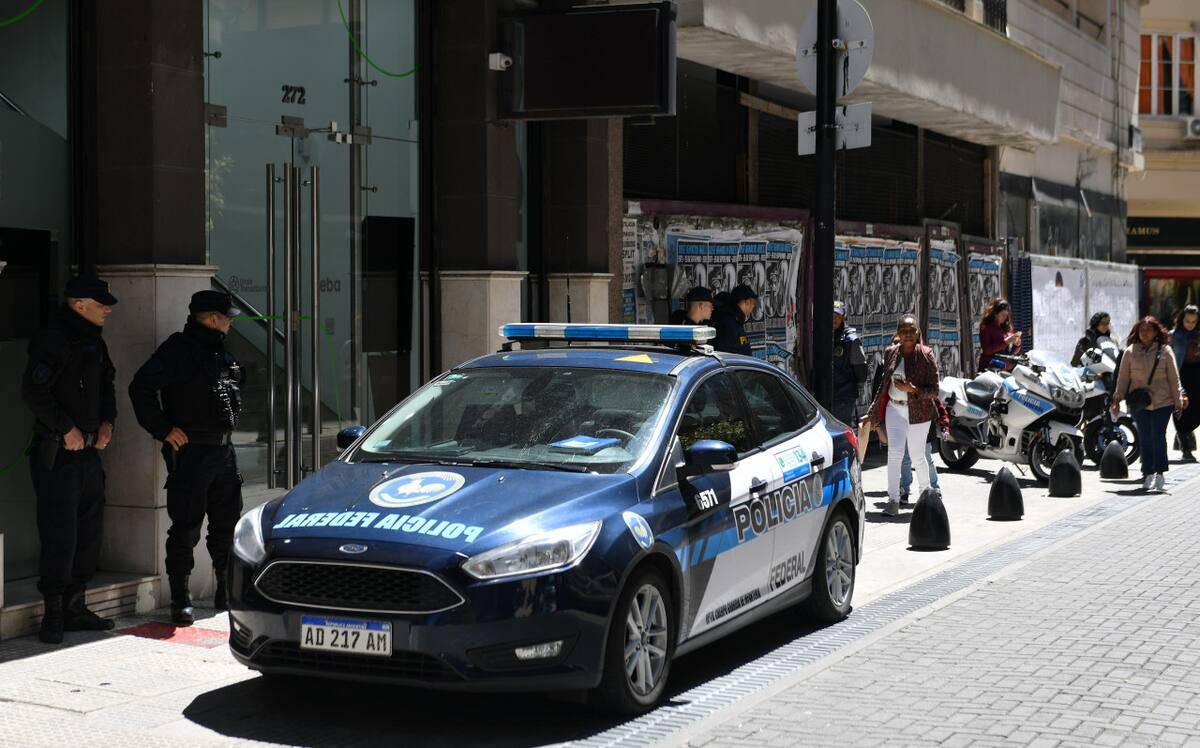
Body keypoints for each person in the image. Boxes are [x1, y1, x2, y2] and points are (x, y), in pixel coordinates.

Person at [129, 290, 245, 625]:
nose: (231, 323)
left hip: (224, 451)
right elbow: (140, 388)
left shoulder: (221, 353)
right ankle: (180, 598)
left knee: (226, 525)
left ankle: (225, 590)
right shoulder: (177, 350)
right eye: (227, 317)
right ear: (211, 318)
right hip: (191, 453)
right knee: (186, 528)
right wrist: (163, 428)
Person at [20, 276, 119, 643]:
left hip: (90, 453)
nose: (107, 308)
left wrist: (109, 422)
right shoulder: (54, 338)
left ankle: (76, 605)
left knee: (89, 531)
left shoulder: (94, 341)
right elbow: (33, 391)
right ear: (79, 304)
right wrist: (66, 429)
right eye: (100, 302)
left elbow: (108, 384)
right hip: (58, 454)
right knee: (60, 532)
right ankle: (54, 613)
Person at [865, 315, 940, 517]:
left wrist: (913, 389)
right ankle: (893, 500)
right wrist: (872, 414)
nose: (908, 334)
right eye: (904, 330)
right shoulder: (891, 352)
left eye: (912, 330)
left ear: (918, 333)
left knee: (917, 455)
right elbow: (883, 386)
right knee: (894, 453)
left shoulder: (926, 355)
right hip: (894, 408)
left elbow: (934, 390)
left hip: (918, 412)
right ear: (898, 332)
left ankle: (926, 496)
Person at [1112, 316, 1185, 492]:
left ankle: (1160, 473)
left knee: (1158, 436)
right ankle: (1148, 473)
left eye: (1149, 330)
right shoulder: (1130, 352)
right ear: (1137, 332)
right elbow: (1123, 379)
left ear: (1156, 332)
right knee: (1145, 438)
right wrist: (1117, 399)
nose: (1145, 333)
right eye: (1141, 330)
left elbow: (1174, 379)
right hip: (1139, 402)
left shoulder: (1166, 351)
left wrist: (1178, 401)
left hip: (1163, 401)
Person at [1171, 305, 1200, 461]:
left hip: (1197, 375)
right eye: (1187, 321)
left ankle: (1184, 438)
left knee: (1196, 412)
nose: (1190, 324)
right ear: (1182, 319)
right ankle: (1186, 449)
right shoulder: (1174, 336)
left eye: (1194, 321)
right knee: (1180, 412)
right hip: (1180, 376)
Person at [831, 300, 867, 426]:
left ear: (843, 318)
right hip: (826, 394)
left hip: (843, 396)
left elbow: (861, 372)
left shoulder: (851, 340)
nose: (834, 320)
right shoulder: (821, 336)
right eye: (832, 316)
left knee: (841, 428)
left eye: (838, 316)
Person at [711, 284, 757, 355]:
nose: (753, 306)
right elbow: (723, 353)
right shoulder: (729, 322)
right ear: (747, 302)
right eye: (753, 303)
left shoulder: (735, 319)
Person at [978, 298, 1022, 372]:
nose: (1005, 318)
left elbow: (1012, 352)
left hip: (1006, 369)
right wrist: (1006, 342)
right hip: (991, 369)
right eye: (1002, 315)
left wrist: (1017, 344)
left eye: (1006, 315)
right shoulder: (986, 327)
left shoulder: (1007, 327)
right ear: (995, 314)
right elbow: (987, 350)